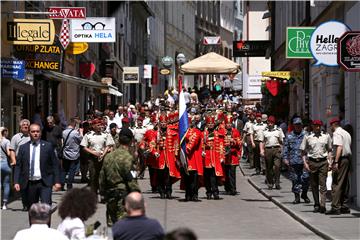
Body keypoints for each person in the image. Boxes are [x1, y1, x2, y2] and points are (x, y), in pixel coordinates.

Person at [14, 123, 61, 209]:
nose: (35, 133)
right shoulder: (23, 148)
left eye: (37, 131)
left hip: (44, 182)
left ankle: (46, 223)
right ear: (29, 133)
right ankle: (33, 223)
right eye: (33, 131)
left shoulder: (48, 146)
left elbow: (55, 164)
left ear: (41, 133)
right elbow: (18, 166)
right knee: (32, 209)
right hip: (29, 183)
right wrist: (16, 181)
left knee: (46, 207)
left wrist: (57, 181)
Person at [99, 128, 140, 226]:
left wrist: (102, 194)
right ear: (130, 141)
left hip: (110, 195)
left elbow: (102, 177)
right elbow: (132, 179)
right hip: (123, 197)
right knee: (123, 226)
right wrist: (137, 195)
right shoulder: (128, 158)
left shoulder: (109, 157)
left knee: (111, 224)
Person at [300, 120, 332, 214]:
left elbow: (329, 149)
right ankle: (316, 204)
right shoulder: (308, 137)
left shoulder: (326, 136)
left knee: (323, 184)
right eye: (315, 126)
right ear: (312, 126)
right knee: (314, 185)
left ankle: (323, 205)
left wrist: (329, 162)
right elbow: (303, 151)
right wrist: (305, 163)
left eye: (319, 126)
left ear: (321, 126)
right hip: (312, 162)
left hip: (323, 162)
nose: (317, 127)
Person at [80, 118, 114, 194]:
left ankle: (102, 193)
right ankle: (94, 193)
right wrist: (93, 153)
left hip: (103, 157)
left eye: (101, 125)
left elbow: (108, 145)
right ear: (93, 126)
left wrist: (103, 154)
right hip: (92, 158)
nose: (100, 127)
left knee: (102, 176)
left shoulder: (106, 134)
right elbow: (84, 147)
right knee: (93, 176)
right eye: (98, 125)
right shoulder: (88, 135)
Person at [326, 117, 352, 215]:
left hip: (340, 160)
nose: (330, 128)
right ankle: (344, 206)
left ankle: (335, 207)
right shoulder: (346, 133)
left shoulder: (337, 133)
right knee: (344, 183)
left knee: (336, 183)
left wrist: (335, 162)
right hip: (347, 160)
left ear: (333, 125)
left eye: (330, 126)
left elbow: (339, 147)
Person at [282, 118, 310, 204]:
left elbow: (311, 147)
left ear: (301, 125)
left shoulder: (306, 135)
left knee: (306, 178)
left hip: (305, 161)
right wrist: (285, 158)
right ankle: (297, 197)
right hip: (293, 161)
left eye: (299, 124)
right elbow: (286, 148)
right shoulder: (289, 136)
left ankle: (304, 194)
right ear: (293, 125)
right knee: (295, 179)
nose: (298, 126)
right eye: (296, 125)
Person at [10, 119, 31, 211]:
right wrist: (14, 160)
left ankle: (31, 202)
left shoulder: (32, 136)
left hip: (31, 162)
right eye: (24, 125)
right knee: (23, 185)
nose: (26, 126)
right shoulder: (16, 137)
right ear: (20, 127)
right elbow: (12, 150)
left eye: (27, 125)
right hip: (20, 163)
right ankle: (25, 203)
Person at [259, 116, 285, 190]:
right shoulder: (264, 131)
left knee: (277, 166)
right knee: (269, 167)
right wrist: (261, 150)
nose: (270, 124)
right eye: (268, 122)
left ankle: (277, 183)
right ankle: (270, 183)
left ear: (274, 123)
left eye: (271, 122)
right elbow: (262, 141)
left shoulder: (278, 130)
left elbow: (281, 141)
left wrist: (282, 150)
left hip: (276, 149)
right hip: (268, 149)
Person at [61, 117, 83, 190]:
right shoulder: (75, 133)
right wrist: (81, 132)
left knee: (64, 169)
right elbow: (82, 140)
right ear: (74, 124)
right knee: (72, 170)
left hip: (65, 153)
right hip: (74, 153)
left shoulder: (64, 132)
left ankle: (62, 184)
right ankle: (69, 185)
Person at [223, 115, 241, 195]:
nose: (229, 125)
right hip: (224, 156)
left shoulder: (236, 131)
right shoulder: (222, 132)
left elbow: (239, 143)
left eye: (230, 123)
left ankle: (233, 189)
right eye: (227, 123)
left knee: (232, 173)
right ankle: (227, 188)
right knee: (226, 173)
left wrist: (234, 141)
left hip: (233, 155)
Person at [1, 127, 15, 210]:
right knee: (6, 184)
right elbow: (9, 153)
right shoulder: (6, 141)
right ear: (5, 132)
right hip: (5, 164)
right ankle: (4, 204)